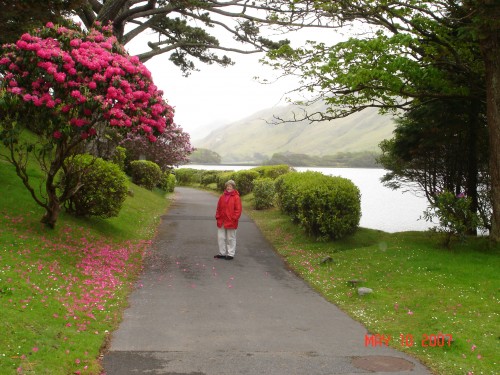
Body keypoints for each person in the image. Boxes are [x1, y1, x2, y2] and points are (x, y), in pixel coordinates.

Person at [215, 179, 242, 260]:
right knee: (221, 237)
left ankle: (230, 254)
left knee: (231, 238)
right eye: (227, 186)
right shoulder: (222, 196)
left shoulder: (236, 197)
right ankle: (222, 253)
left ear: (233, 187)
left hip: (231, 221)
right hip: (222, 220)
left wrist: (234, 218)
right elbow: (218, 208)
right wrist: (217, 216)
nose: (229, 187)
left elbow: (238, 210)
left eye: (230, 186)